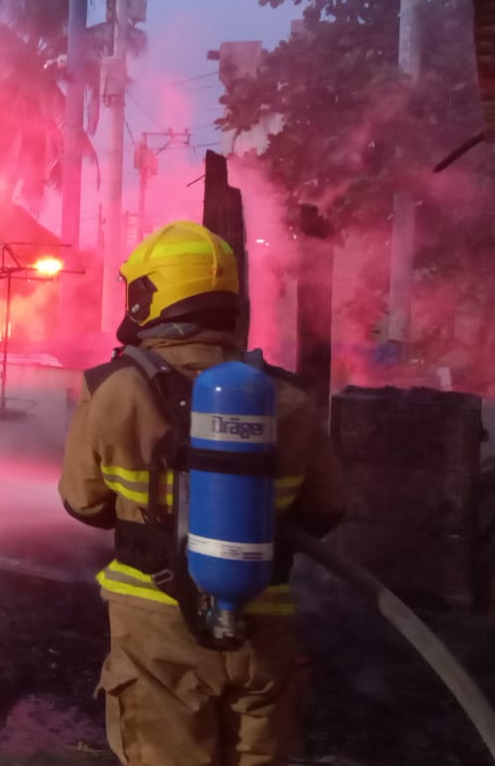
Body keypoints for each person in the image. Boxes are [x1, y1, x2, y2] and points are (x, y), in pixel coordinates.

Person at [60, 221, 346, 766]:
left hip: (156, 628)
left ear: (150, 295)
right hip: (265, 623)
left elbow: (83, 502)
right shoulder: (288, 396)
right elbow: (327, 508)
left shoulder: (113, 388)